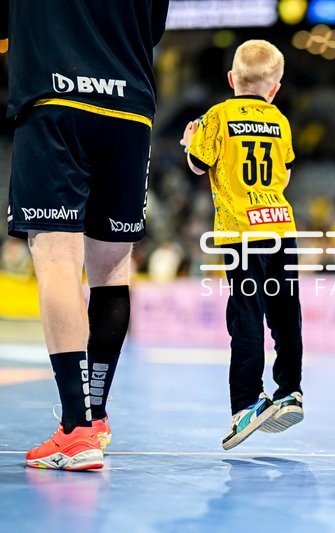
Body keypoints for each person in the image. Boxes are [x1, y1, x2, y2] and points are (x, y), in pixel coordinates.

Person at [1, 0, 169, 470]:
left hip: (57, 98)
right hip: (130, 109)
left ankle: (75, 429)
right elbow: (151, 28)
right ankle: (94, 416)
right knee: (112, 266)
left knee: (56, 256)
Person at [180, 40, 304, 451]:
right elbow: (283, 177)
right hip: (281, 228)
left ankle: (248, 403)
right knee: (286, 312)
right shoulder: (280, 120)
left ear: (232, 79)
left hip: (240, 233)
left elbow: (200, 164)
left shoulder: (217, 115)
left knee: (246, 316)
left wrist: (189, 143)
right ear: (275, 87)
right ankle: (290, 389)